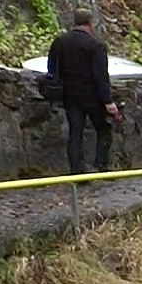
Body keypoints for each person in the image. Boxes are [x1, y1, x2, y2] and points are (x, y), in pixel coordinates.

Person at [47, 9, 119, 174]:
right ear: (90, 24)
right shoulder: (96, 46)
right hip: (93, 97)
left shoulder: (59, 42)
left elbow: (52, 69)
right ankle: (100, 165)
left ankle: (77, 171)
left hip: (70, 96)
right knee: (103, 129)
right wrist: (108, 101)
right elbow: (101, 75)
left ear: (74, 23)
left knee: (75, 133)